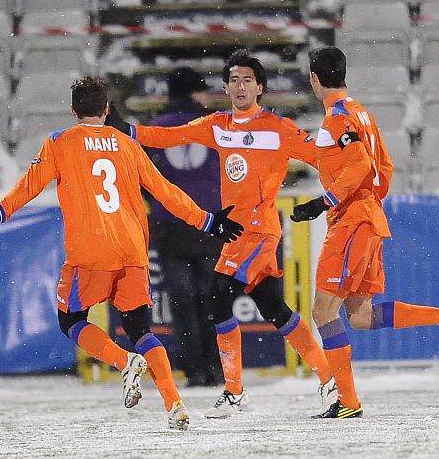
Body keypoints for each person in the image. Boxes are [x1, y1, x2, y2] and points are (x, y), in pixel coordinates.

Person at [0, 76, 244, 430]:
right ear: (107, 110)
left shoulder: (59, 142)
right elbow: (166, 192)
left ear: (74, 110)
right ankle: (175, 404)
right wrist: (208, 222)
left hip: (90, 250)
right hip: (131, 249)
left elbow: (28, 187)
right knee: (141, 328)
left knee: (72, 321)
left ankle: (124, 362)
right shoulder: (127, 144)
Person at [106, 50, 338, 419]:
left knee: (219, 296)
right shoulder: (217, 125)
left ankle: (238, 390)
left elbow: (322, 157)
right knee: (272, 308)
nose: (239, 86)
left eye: (247, 80)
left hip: (260, 231)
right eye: (233, 79)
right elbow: (165, 137)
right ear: (226, 87)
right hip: (236, 234)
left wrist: (335, 183)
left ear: (260, 87)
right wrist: (125, 128)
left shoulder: (277, 128)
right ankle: (326, 380)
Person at [291, 46, 439, 419]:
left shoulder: (336, 119)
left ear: (315, 79)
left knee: (322, 310)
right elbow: (384, 164)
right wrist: (369, 202)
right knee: (359, 316)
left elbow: (362, 163)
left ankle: (347, 402)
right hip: (367, 217)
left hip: (352, 221)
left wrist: (325, 202)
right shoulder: (361, 113)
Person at [144, 67, 224, 387]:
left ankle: (192, 369)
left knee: (182, 302)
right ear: (194, 93)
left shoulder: (153, 129)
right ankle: (218, 368)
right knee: (214, 301)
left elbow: (139, 176)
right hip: (210, 225)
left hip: (170, 227)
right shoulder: (216, 126)